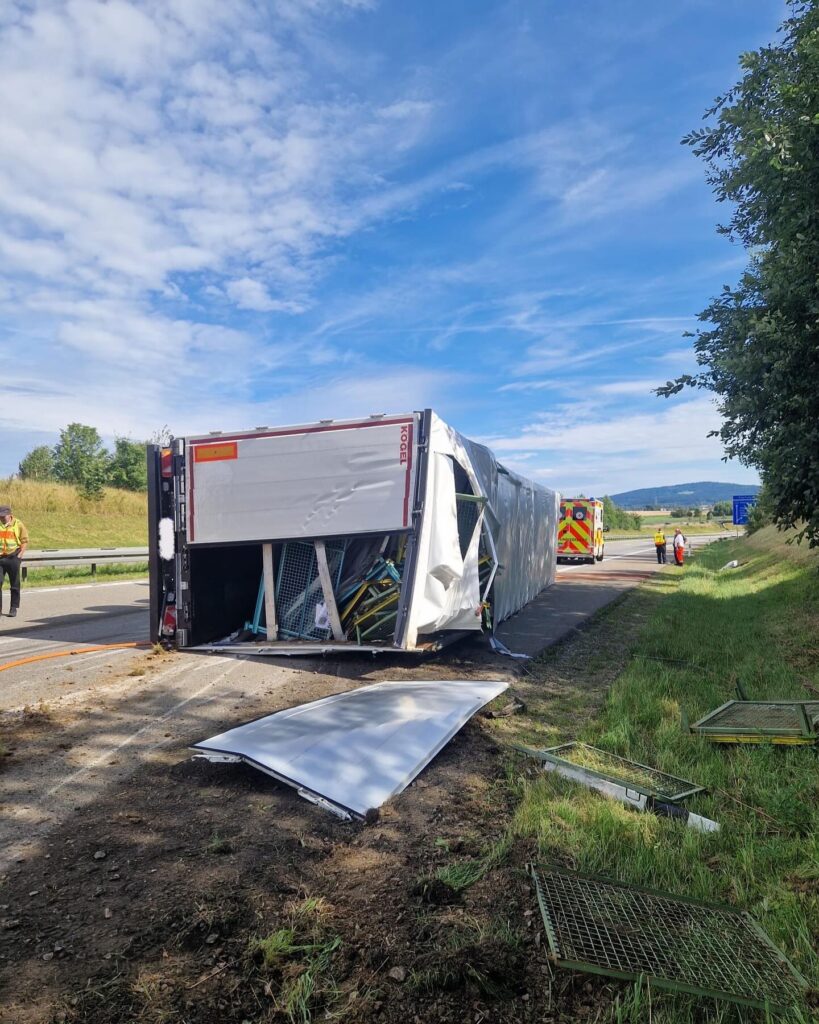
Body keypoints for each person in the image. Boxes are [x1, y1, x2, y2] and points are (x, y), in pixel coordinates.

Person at [0, 504, 29, 617]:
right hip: (0, 558)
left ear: (10, 515)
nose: (1, 518)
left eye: (3, 516)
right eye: (0, 516)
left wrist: (20, 554)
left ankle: (13, 608)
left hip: (13, 557)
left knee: (14, 584)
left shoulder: (18, 524)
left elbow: (24, 540)